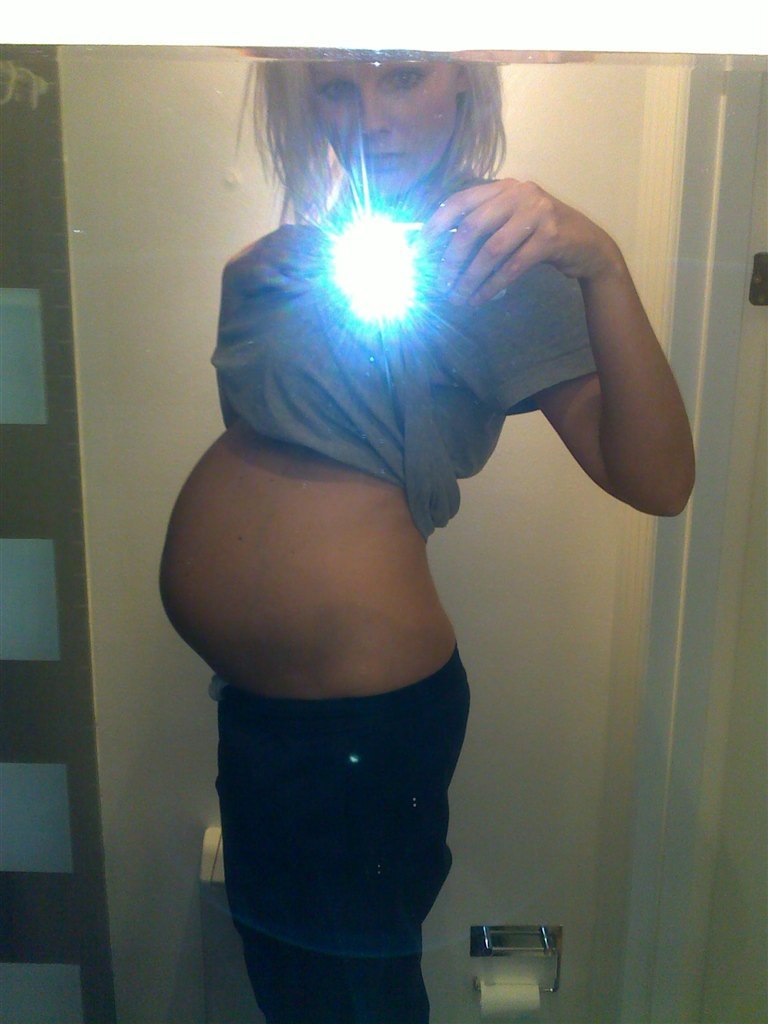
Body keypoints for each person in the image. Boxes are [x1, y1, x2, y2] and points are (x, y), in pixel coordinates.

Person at [159, 55, 695, 1024]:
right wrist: (246, 289)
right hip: (261, 713)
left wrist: (601, 262)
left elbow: (659, 480)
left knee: (353, 1000)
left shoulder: (501, 259)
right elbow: (275, 440)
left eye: (402, 77)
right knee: (296, 986)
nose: (369, 117)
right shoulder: (313, 250)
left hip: (356, 728)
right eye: (336, 85)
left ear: (466, 86)